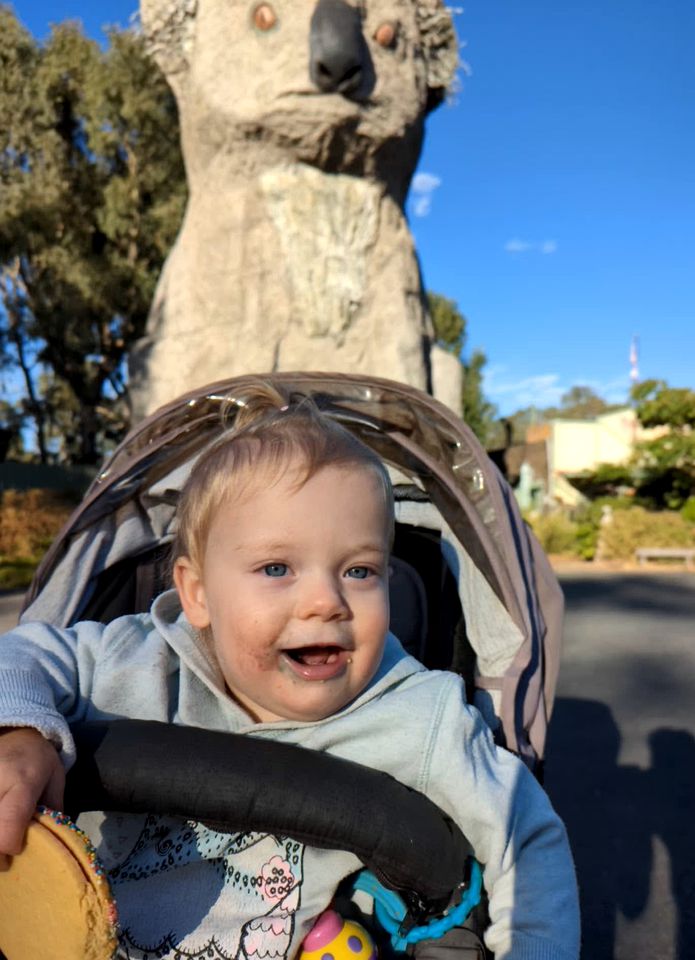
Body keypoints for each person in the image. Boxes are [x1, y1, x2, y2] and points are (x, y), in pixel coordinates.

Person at [0, 384, 580, 960]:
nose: (325, 601)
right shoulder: (139, 664)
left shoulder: (418, 718)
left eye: (359, 571)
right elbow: (24, 654)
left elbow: (525, 836)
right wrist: (21, 733)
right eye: (277, 567)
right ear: (197, 595)